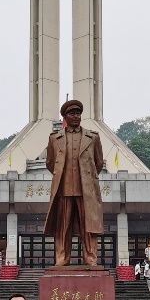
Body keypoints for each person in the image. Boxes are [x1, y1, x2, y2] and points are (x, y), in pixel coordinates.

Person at [45, 98, 105, 267]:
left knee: (89, 226)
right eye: (72, 113)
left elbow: (99, 163)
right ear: (65, 117)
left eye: (78, 113)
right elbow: (50, 163)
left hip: (86, 190)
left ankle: (91, 257)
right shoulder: (54, 138)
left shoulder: (92, 137)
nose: (76, 116)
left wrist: (87, 178)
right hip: (64, 189)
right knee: (63, 226)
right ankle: (62, 257)